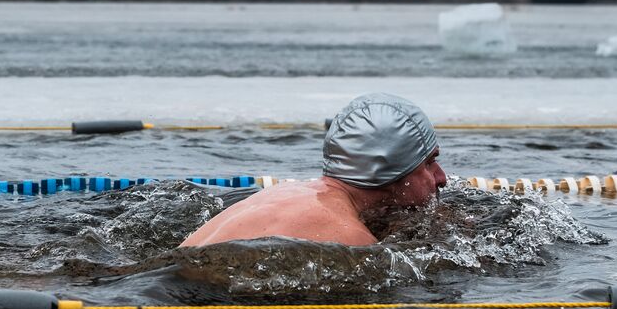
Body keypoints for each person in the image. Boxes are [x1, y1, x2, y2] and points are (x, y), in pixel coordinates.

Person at [180, 93, 447, 247]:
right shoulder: (350, 237)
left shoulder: (288, 191)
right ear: (394, 170)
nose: (441, 177)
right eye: (429, 163)